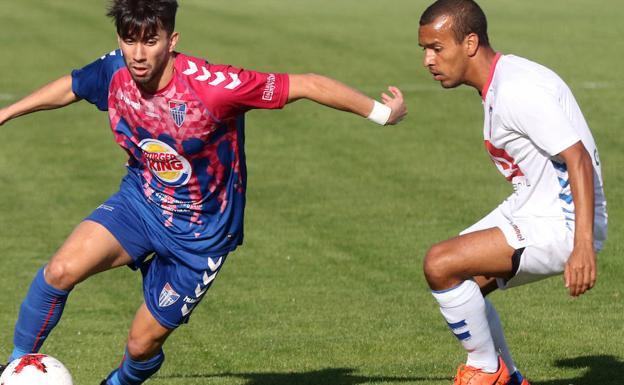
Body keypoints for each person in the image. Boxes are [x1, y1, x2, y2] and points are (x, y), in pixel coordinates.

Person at [0, 0, 407, 384]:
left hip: (200, 238)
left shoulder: (215, 88)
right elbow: (72, 85)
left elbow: (305, 84)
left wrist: (382, 113)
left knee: (141, 345)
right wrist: (7, 112)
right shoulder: (114, 71)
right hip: (140, 204)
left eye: (150, 41)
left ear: (172, 41)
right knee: (59, 271)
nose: (138, 54)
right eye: (129, 40)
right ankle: (16, 367)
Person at [417, 1, 607, 385]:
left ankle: (490, 372)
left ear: (469, 43)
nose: (428, 60)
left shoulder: (516, 90)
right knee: (460, 284)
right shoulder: (502, 79)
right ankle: (510, 377)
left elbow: (578, 158)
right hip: (532, 206)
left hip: (561, 222)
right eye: (424, 49)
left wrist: (582, 244)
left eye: (436, 48)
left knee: (441, 263)